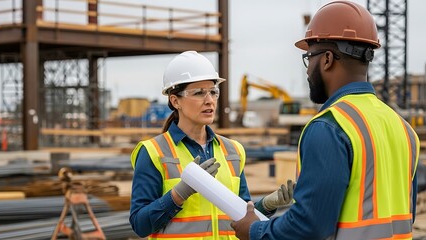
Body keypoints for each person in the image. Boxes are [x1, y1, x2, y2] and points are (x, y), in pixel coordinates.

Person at [231, 1, 420, 239]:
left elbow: (309, 226)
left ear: (327, 59)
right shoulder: (403, 128)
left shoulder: (330, 127)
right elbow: (406, 215)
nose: (309, 69)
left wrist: (254, 230)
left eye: (309, 58)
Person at [129, 50, 294, 239]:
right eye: (199, 93)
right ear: (175, 101)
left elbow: (241, 216)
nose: (209, 100)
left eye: (213, 92)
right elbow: (140, 225)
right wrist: (179, 193)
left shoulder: (233, 150)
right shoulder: (153, 152)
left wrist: (266, 205)